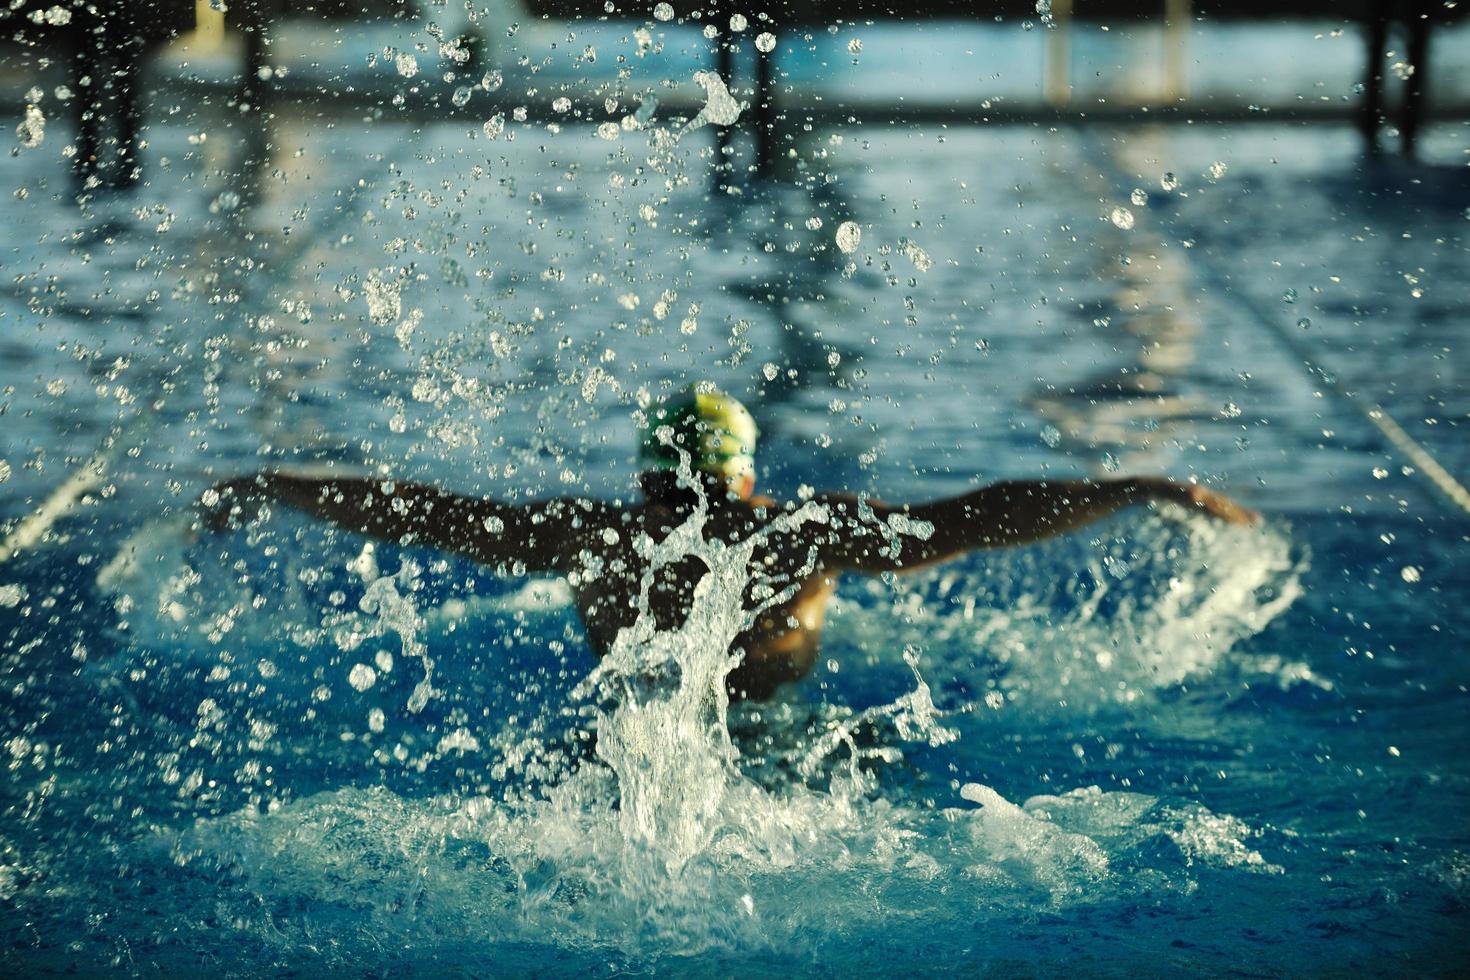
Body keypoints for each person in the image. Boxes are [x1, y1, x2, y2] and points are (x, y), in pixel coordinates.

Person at [201, 385, 1258, 700]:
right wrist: (1135, 487)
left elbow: (419, 511)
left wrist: (278, 485)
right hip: (785, 747)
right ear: (745, 475)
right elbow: (976, 517)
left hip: (629, 740)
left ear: (645, 474)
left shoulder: (595, 533)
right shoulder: (803, 532)